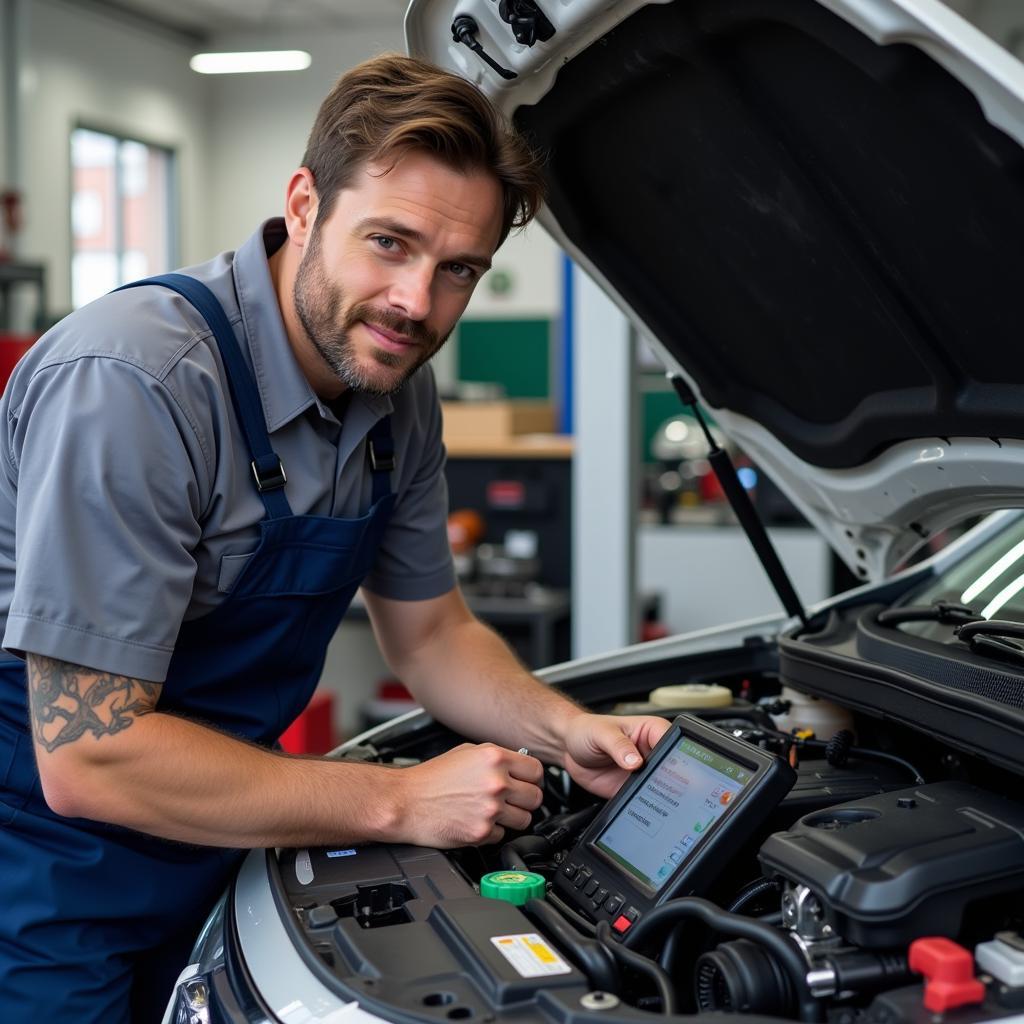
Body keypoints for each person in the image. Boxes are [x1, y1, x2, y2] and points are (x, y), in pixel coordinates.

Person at [0, 54, 670, 1020]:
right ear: (305, 202)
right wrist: (397, 800)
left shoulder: (394, 390)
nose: (416, 303)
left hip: (221, 835)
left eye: (458, 272)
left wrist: (565, 732)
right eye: (389, 243)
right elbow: (88, 756)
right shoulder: (135, 383)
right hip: (42, 877)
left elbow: (432, 633)